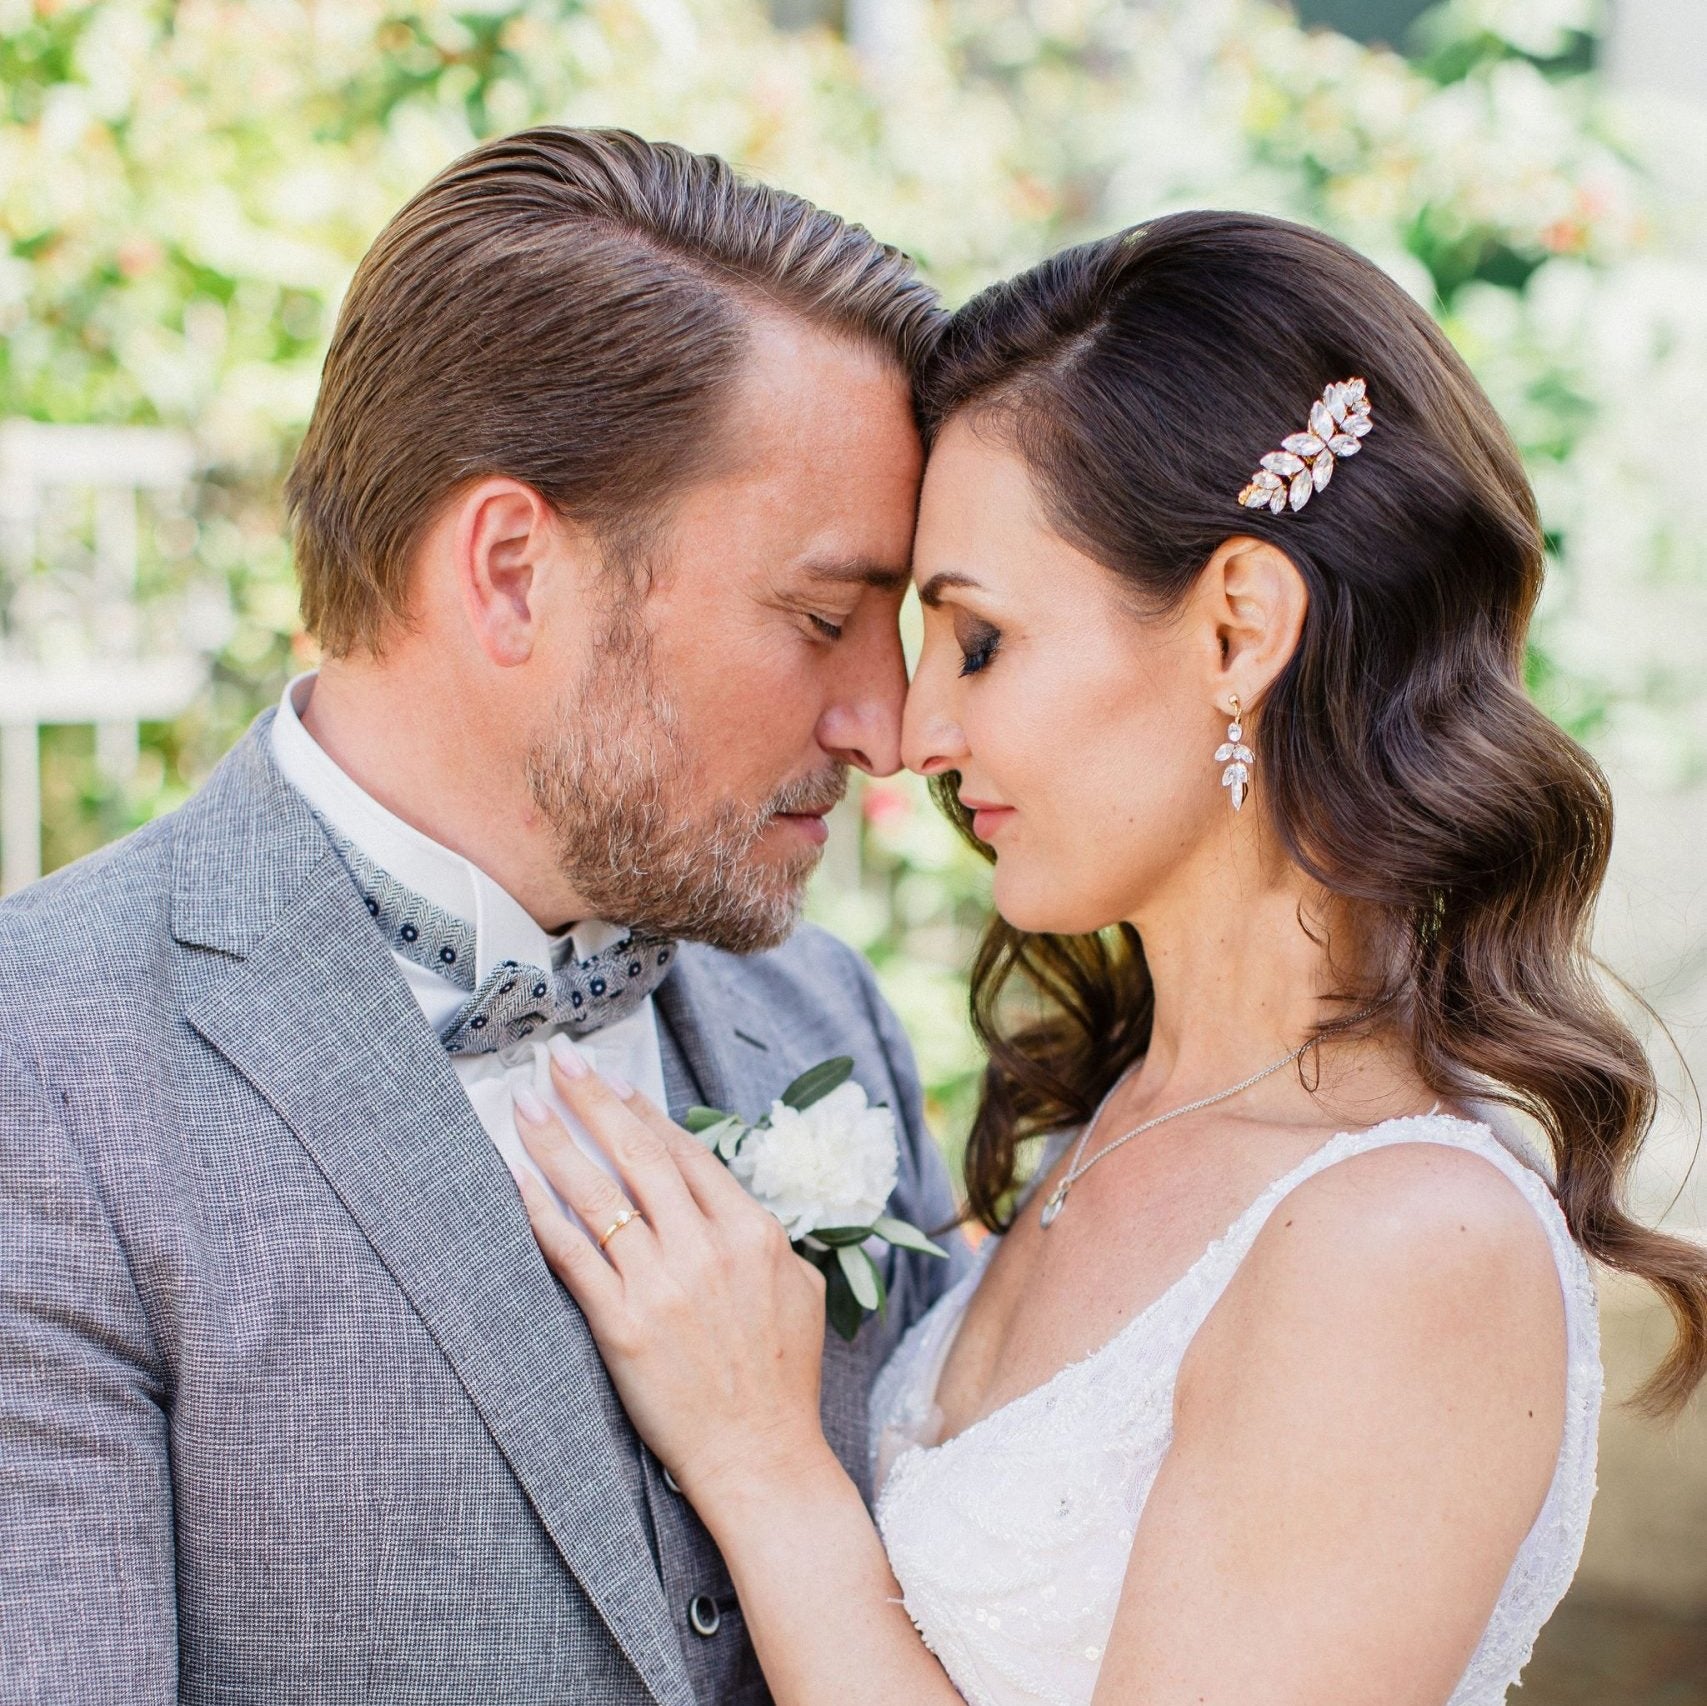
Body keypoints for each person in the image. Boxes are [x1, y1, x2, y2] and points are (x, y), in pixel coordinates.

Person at [515, 211, 1707, 1706]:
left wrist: (762, 1463)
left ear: (1238, 629)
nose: (918, 731)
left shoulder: (1410, 1246)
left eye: (982, 641)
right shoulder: (1122, 1117)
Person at [0, 127, 963, 1704]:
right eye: (819, 618)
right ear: (513, 569)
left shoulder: (824, 1013)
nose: (889, 722)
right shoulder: (42, 1067)